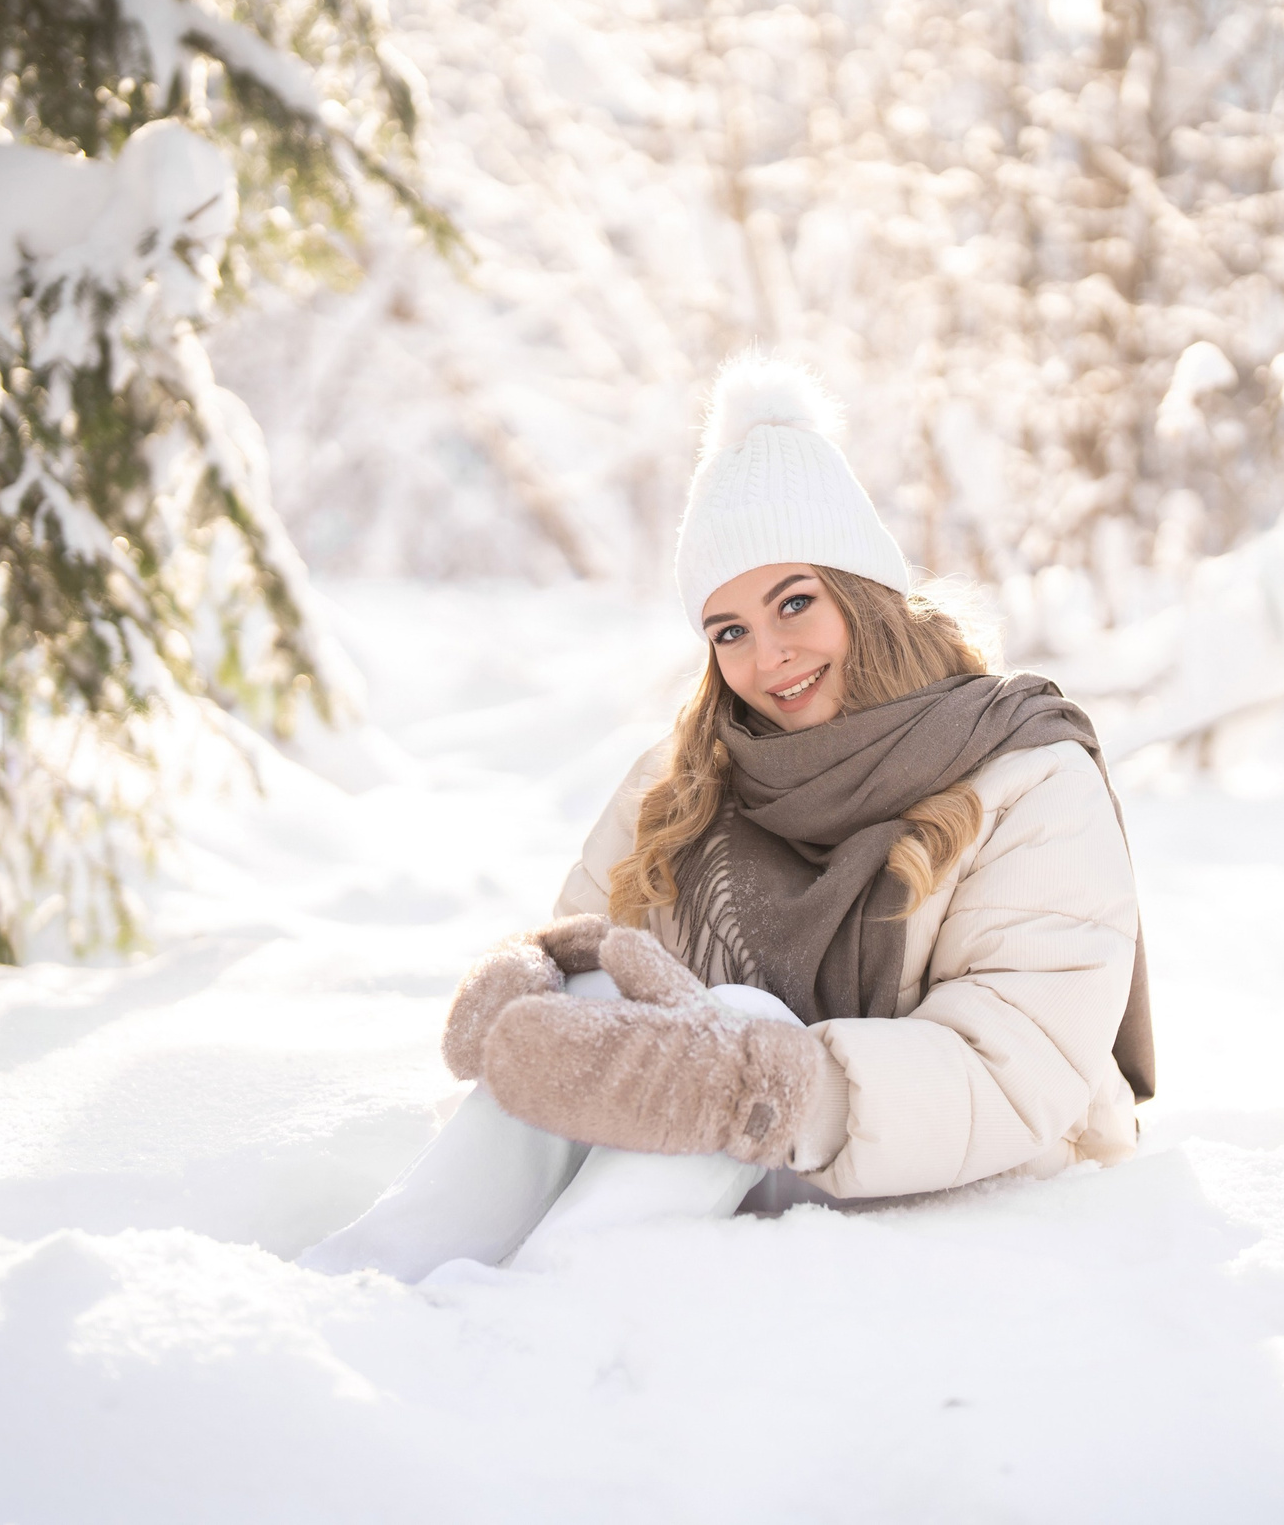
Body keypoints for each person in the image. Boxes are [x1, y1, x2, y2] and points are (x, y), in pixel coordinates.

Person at [298, 355, 1152, 1282]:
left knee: (733, 1021)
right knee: (602, 1002)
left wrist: (763, 1086)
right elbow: (602, 959)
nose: (768, 657)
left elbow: (1014, 1063)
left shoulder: (1023, 773)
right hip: (721, 1153)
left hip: (959, 1169)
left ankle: (546, 1303)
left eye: (795, 602)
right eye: (729, 630)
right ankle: (372, 1276)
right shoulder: (681, 782)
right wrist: (528, 992)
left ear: (862, 593)